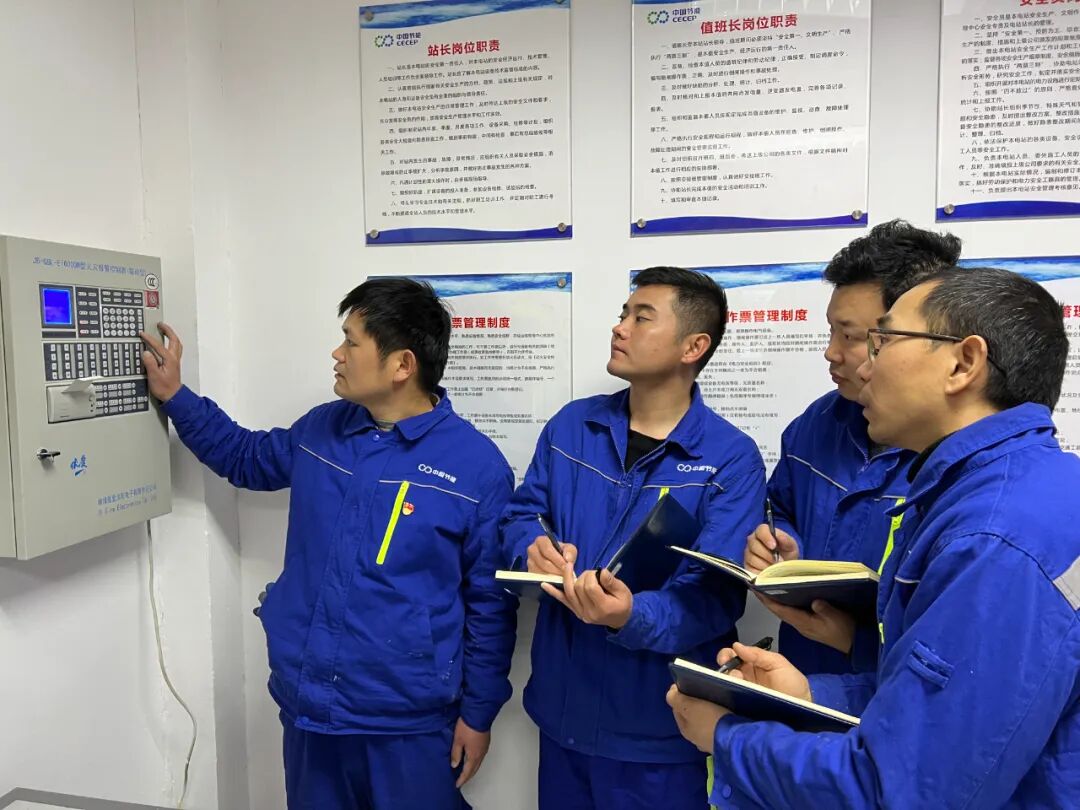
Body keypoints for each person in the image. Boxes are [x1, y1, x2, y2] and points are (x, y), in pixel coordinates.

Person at [669, 266, 1080, 808]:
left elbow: (899, 790)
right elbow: (958, 703)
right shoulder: (1020, 488)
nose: (864, 365)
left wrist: (727, 737)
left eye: (881, 341)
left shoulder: (994, 539)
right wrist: (809, 692)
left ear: (963, 363)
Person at [140, 278, 516, 810]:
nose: (337, 354)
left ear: (402, 365)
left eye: (352, 342)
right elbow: (247, 458)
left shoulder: (476, 468)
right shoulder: (324, 429)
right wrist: (176, 397)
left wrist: (478, 715)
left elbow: (491, 605)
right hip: (310, 707)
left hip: (407, 721)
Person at [501, 267, 767, 810]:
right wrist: (530, 548)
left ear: (693, 347)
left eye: (641, 318)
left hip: (660, 730)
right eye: (623, 314)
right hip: (562, 715)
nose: (619, 328)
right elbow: (519, 515)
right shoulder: (573, 427)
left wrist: (628, 615)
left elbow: (714, 595)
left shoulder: (730, 458)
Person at [744, 220, 961, 674]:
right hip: (802, 674)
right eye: (831, 332)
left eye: (851, 336)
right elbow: (779, 506)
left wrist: (854, 640)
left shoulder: (960, 458)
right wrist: (781, 545)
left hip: (892, 694)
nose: (831, 352)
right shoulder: (817, 423)